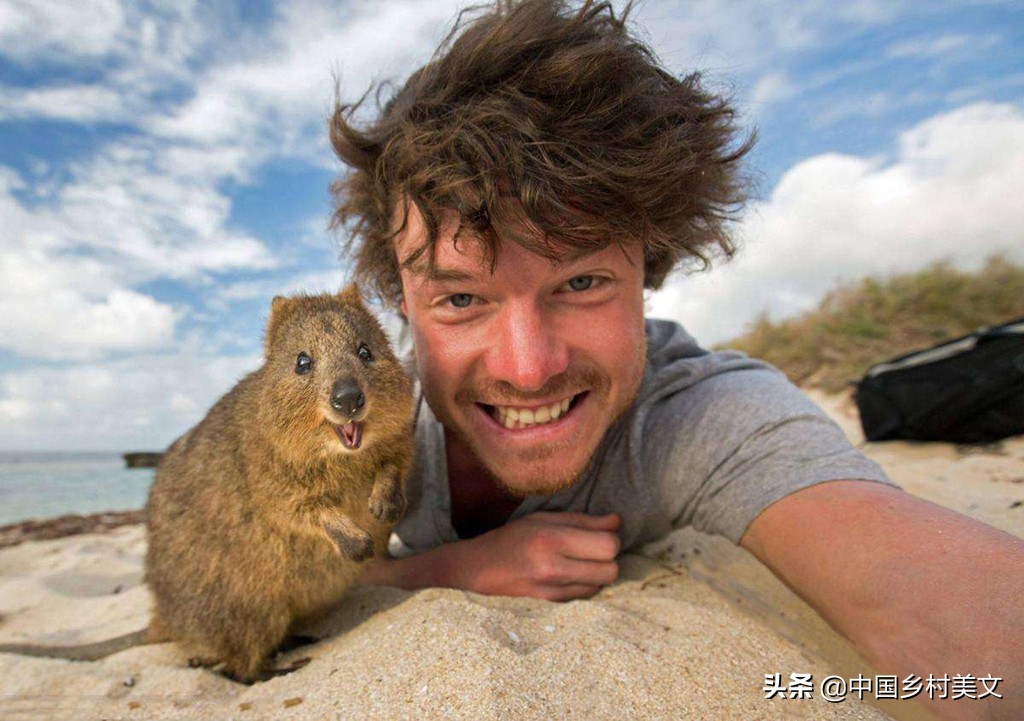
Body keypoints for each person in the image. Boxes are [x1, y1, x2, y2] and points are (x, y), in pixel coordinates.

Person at [328, 1, 1024, 718]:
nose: (528, 369)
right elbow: (257, 569)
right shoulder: (357, 419)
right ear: (402, 304)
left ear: (649, 268)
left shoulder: (701, 415)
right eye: (461, 299)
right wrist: (446, 569)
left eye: (581, 283)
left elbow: (946, 606)